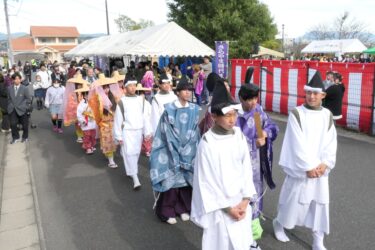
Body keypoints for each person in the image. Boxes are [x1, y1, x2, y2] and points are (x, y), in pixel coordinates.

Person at [273, 71, 337, 250]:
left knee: (320, 204)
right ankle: (279, 223)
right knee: (292, 201)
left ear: (323, 95)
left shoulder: (327, 115)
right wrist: (308, 167)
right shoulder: (297, 113)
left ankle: (318, 239)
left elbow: (331, 141)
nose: (312, 96)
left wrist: (325, 163)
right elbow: (296, 143)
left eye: (316, 93)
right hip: (301, 169)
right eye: (309, 92)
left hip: (320, 171)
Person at [191, 79, 257, 250]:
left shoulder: (238, 134)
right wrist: (228, 208)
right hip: (221, 207)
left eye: (234, 114)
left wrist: (246, 198)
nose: (232, 119)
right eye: (227, 115)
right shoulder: (207, 143)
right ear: (214, 116)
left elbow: (246, 167)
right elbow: (206, 182)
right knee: (222, 243)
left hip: (240, 200)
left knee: (241, 243)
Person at [150, 76, 200, 225]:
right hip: (170, 148)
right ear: (177, 92)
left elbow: (195, 129)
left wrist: (188, 146)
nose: (187, 93)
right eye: (184, 90)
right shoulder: (169, 109)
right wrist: (176, 146)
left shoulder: (194, 108)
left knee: (185, 182)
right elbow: (165, 130)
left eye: (189, 90)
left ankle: (183, 208)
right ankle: (167, 211)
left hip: (189, 148)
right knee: (171, 182)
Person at [236, 82, 279, 249]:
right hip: (238, 166)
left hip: (255, 166)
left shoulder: (257, 111)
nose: (253, 102)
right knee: (240, 202)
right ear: (240, 98)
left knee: (254, 199)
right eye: (249, 99)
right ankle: (240, 240)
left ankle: (250, 240)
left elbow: (270, 127)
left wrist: (265, 134)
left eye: (255, 98)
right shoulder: (234, 114)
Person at [113, 76, 152, 189]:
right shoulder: (122, 102)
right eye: (130, 85)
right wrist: (118, 135)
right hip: (127, 132)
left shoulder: (141, 100)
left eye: (134, 85)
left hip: (138, 131)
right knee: (129, 153)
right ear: (125, 88)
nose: (133, 87)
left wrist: (147, 131)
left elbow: (144, 117)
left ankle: (131, 170)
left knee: (135, 153)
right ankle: (135, 178)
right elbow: (118, 119)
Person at [89, 74, 119, 168]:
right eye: (104, 88)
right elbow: (93, 111)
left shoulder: (113, 97)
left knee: (114, 142)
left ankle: (109, 155)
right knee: (108, 141)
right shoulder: (97, 98)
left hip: (114, 123)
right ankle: (111, 160)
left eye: (107, 87)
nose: (106, 90)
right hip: (104, 123)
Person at [7, 72, 32, 144]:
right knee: (13, 124)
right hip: (12, 109)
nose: (17, 80)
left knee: (25, 125)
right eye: (15, 79)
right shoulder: (9, 88)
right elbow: (8, 99)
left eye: (18, 79)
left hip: (22, 109)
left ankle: (25, 137)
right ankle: (15, 137)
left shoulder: (24, 88)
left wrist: (24, 106)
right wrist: (9, 106)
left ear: (21, 80)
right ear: (13, 80)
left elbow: (28, 99)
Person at [76, 82, 96, 154]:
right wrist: (82, 120)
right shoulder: (81, 104)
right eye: (87, 94)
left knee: (93, 135)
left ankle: (92, 145)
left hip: (93, 121)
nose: (89, 96)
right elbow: (79, 114)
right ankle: (88, 147)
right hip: (86, 121)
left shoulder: (93, 102)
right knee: (87, 135)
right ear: (84, 95)